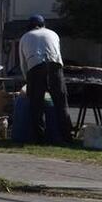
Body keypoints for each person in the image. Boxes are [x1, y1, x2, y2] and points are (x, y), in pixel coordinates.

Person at [19, 14, 73, 143]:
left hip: (35, 66)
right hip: (55, 65)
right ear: (43, 25)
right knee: (61, 103)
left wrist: (28, 80)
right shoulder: (53, 34)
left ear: (30, 26)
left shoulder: (25, 37)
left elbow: (23, 63)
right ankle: (67, 136)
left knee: (36, 104)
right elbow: (58, 53)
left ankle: (40, 137)